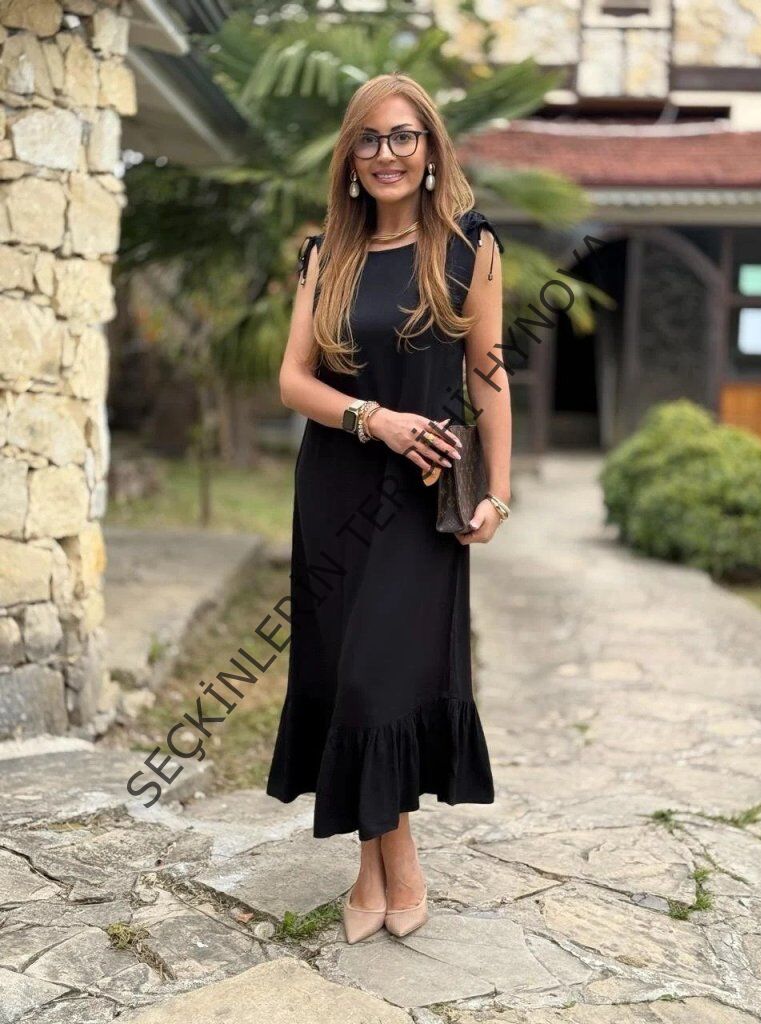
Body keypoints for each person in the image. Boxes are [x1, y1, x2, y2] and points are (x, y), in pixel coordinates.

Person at [266, 71, 512, 943]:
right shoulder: (324, 256)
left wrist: (498, 491)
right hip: (336, 485)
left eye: (403, 136)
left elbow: (489, 374)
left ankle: (391, 863)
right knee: (348, 676)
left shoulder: (470, 247)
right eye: (369, 139)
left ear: (430, 148)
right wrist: (375, 419)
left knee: (382, 678)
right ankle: (382, 864)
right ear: (349, 157)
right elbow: (294, 380)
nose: (387, 154)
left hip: (424, 495)